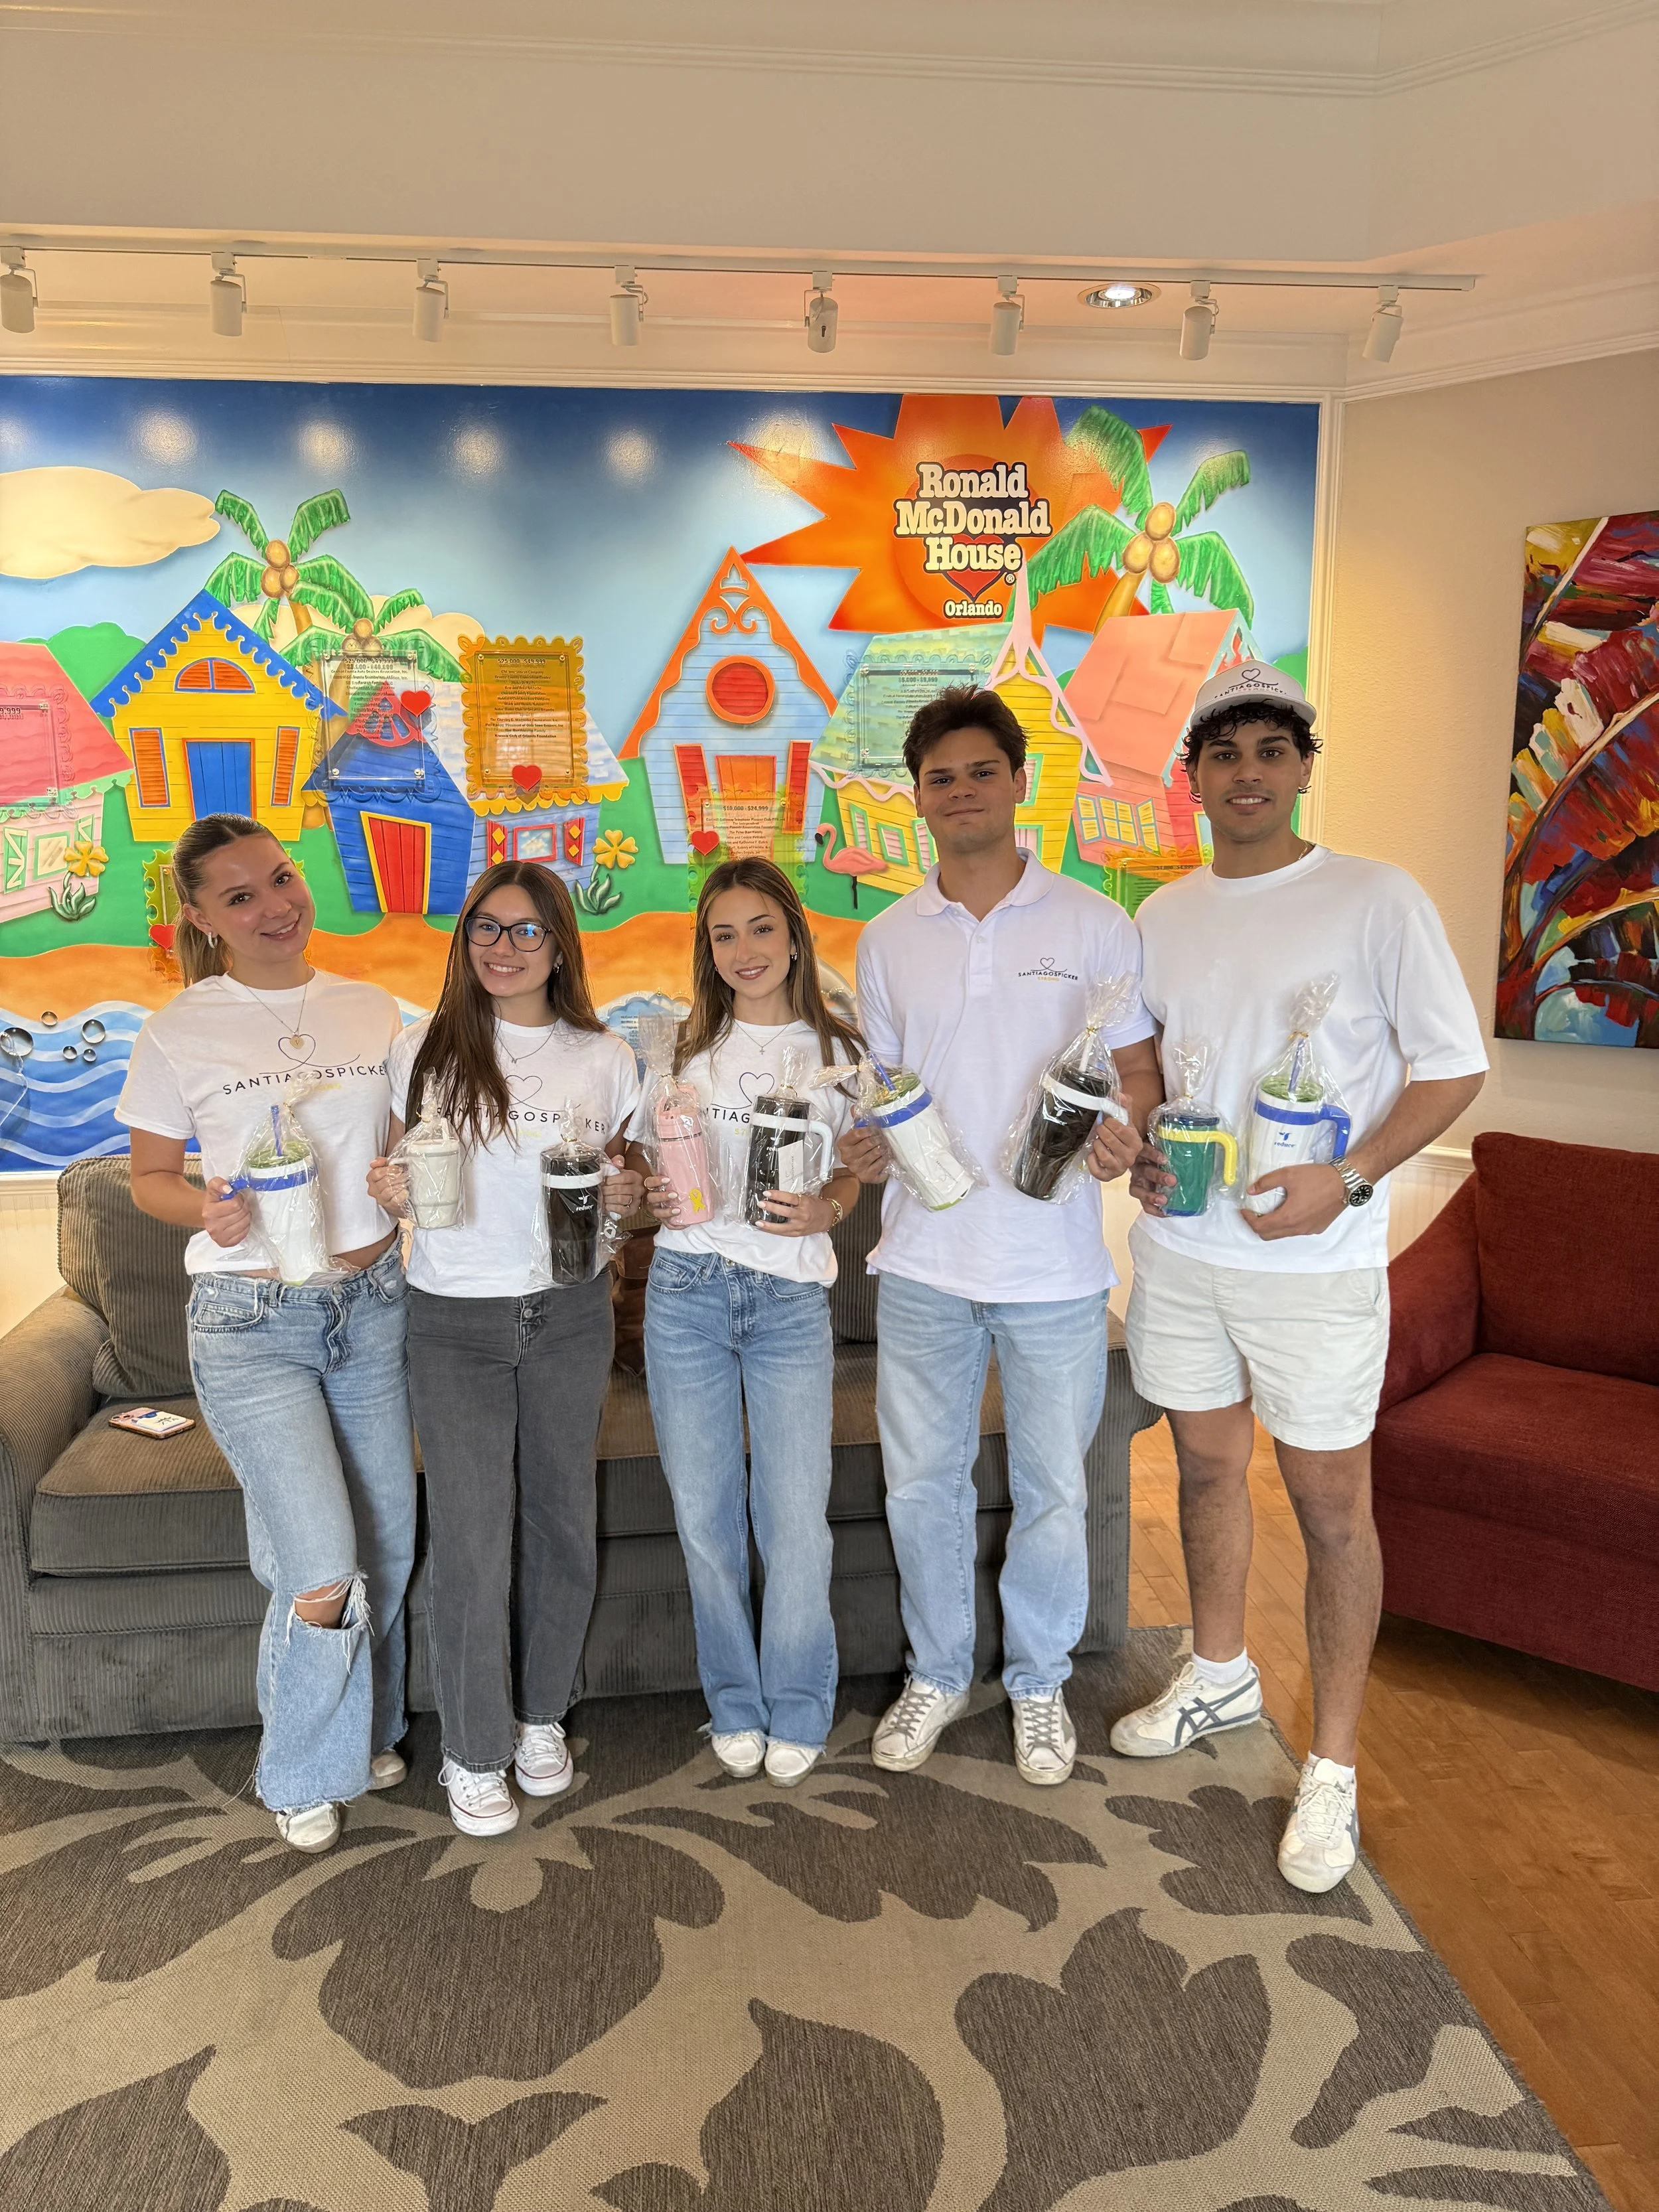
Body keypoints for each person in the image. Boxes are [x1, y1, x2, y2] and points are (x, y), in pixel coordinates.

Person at [1112, 661, 1487, 1893]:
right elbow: (1153, 1073)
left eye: (1271, 751)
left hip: (1317, 1269)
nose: (1249, 774)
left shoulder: (1376, 899)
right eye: (1224, 756)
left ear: (1303, 766)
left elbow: (1451, 1069)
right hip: (1185, 1255)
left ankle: (1331, 1766)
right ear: (1195, 781)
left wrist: (1360, 1178)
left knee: (1334, 1513)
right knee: (1209, 1468)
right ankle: (1218, 1675)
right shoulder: (1161, 917)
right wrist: (1150, 1156)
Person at [842, 688, 1161, 1787]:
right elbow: (878, 1088)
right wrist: (866, 1144)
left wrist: (1124, 1130)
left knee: (1054, 1488)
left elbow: (1133, 1070)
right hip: (923, 1259)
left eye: (982, 771)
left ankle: (1037, 1682)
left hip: (1054, 1264)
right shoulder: (886, 939)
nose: (962, 791)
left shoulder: (1092, 921)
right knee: (920, 1482)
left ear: (1020, 782)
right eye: (940, 777)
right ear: (917, 795)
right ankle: (937, 1671)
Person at [119, 812, 414, 1854]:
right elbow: (149, 1177)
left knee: (389, 1542)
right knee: (324, 1561)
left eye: (281, 879)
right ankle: (297, 1769)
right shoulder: (180, 1028)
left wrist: (400, 1181)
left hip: (371, 1308)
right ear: (201, 919)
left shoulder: (371, 1008)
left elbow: (400, 1148)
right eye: (239, 896)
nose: (273, 906)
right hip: (251, 1321)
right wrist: (203, 1202)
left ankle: (373, 1725)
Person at [371, 861, 641, 1839]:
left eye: (526, 932)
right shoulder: (420, 1049)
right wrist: (389, 1191)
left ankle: (539, 1717)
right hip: (454, 1320)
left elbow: (633, 1185)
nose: (502, 947)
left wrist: (627, 1201)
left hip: (568, 1312)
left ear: (560, 945)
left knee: (564, 1523)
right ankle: (474, 1750)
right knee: (474, 1538)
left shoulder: (605, 1057)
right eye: (485, 928)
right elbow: (396, 1176)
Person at [636, 857, 863, 1789]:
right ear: (706, 949)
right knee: (704, 1516)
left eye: (761, 927)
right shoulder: (680, 1053)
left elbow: (859, 1169)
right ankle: (734, 1699)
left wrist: (831, 1207)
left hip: (788, 1303)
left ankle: (800, 1701)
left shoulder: (838, 1050)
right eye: (724, 934)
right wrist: (649, 1192)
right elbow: (653, 1187)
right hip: (686, 1293)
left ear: (794, 935)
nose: (744, 950)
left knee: (795, 1520)